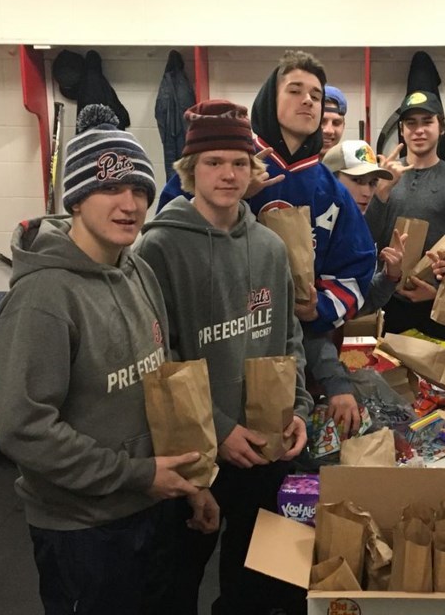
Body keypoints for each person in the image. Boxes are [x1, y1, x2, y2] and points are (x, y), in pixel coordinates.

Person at [0, 104, 219, 615]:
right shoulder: (43, 297)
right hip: (83, 531)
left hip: (154, 505)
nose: (130, 203)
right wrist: (136, 475)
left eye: (140, 189)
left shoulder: (138, 271)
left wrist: (191, 485)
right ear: (75, 199)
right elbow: (25, 429)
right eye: (110, 188)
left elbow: (164, 384)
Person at [136, 99, 312, 615]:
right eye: (213, 162)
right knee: (178, 577)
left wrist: (298, 408)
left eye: (239, 162)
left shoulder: (271, 246)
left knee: (263, 577)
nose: (228, 174)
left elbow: (288, 338)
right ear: (191, 171)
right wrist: (217, 428)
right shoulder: (159, 248)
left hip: (265, 443)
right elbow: (160, 356)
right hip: (196, 449)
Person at [245, 50, 377, 334]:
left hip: (306, 340)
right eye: (295, 91)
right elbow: (176, 228)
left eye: (315, 96)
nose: (307, 100)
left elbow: (357, 264)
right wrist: (234, 198)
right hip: (231, 332)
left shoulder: (331, 190)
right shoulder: (232, 161)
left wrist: (318, 309)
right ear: (271, 99)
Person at [309, 140, 407, 437]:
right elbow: (307, 324)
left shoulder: (349, 229)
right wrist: (336, 382)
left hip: (320, 377)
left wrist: (390, 277)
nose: (367, 191)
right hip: (300, 378)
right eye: (356, 180)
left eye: (372, 182)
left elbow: (355, 303)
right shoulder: (310, 233)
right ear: (329, 180)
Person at [364, 90, 445, 344]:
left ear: (441, 127)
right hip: (389, 302)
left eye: (427, 122)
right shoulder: (383, 178)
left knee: (440, 382)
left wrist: (438, 293)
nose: (419, 130)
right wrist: (381, 192)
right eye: (411, 124)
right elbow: (366, 238)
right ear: (401, 130)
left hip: (435, 306)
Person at [320, 84, 347, 155]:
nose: (329, 130)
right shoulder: (291, 164)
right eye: (322, 121)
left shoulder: (350, 165)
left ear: (343, 126)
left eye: (336, 123)